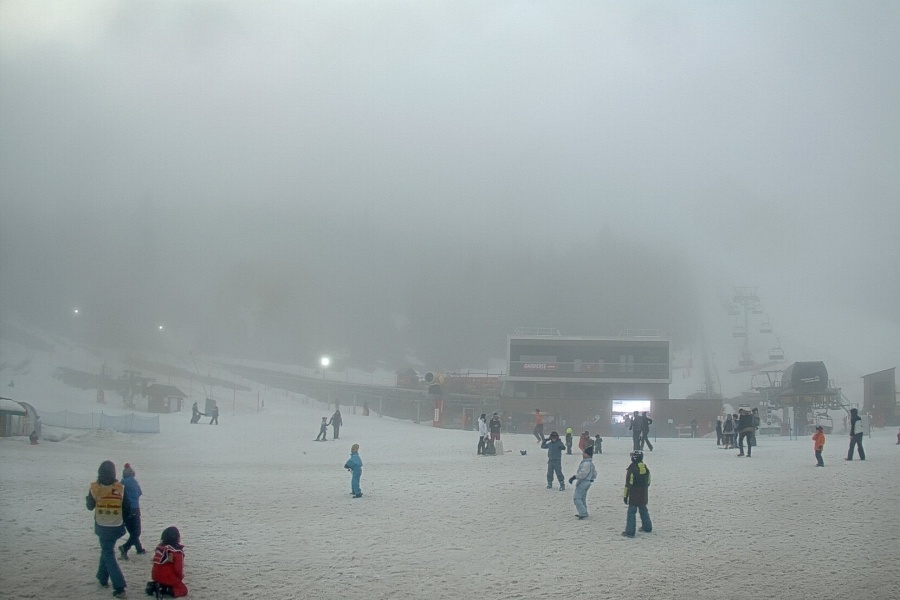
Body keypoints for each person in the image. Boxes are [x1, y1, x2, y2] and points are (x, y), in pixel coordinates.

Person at [86, 460, 129, 597]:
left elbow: (89, 506)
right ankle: (102, 577)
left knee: (108, 553)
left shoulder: (95, 488)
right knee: (107, 550)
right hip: (116, 526)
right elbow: (127, 508)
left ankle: (119, 587)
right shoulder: (120, 488)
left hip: (102, 526)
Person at [147, 526, 188, 598]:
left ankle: (155, 585)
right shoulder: (177, 552)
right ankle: (165, 590)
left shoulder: (160, 548)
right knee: (183, 590)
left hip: (155, 575)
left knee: (163, 577)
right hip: (168, 577)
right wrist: (180, 577)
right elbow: (178, 569)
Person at [622, 450, 652, 538]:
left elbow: (628, 484)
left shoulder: (632, 469)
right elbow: (648, 481)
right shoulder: (645, 468)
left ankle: (630, 532)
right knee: (643, 510)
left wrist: (625, 496)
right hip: (643, 493)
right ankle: (647, 527)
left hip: (634, 495)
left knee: (631, 512)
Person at [118, 463, 145, 559]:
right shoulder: (134, 482)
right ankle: (125, 547)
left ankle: (139, 549)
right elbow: (139, 493)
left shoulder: (121, 484)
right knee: (136, 532)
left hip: (124, 510)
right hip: (134, 508)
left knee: (132, 532)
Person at [568, 445, 597, 519]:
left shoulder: (586, 463)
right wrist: (591, 478)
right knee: (582, 498)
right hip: (587, 482)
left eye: (584, 453)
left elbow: (583, 473)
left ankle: (582, 513)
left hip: (583, 482)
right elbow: (594, 473)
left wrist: (575, 477)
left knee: (577, 498)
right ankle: (584, 512)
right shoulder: (590, 463)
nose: (583, 454)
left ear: (587, 454)